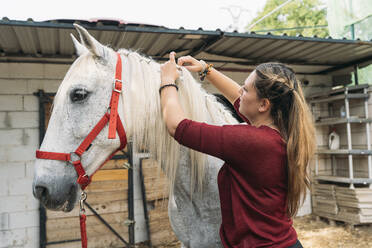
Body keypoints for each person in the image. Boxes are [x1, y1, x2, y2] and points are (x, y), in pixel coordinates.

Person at [159, 51, 315, 248]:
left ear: (264, 105)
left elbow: (177, 127)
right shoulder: (282, 131)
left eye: (246, 89)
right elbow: (239, 98)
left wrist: (167, 81)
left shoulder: (252, 142)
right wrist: (206, 70)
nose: (241, 90)